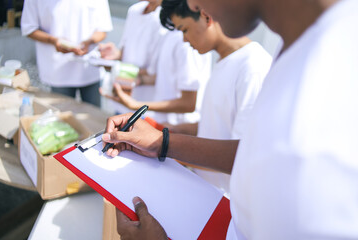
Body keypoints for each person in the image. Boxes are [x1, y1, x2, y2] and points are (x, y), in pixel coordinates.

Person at [102, 0, 358, 239]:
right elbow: (251, 150)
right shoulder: (300, 47)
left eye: (185, 28)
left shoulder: (331, 68)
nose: (193, 4)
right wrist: (161, 140)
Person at [159, 0, 272, 193]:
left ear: (206, 16)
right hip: (208, 193)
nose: (185, 40)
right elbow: (223, 124)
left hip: (228, 204)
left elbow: (242, 154)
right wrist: (182, 130)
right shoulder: (225, 61)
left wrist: (164, 147)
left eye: (184, 29)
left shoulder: (252, 68)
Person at [21, 0, 112, 107]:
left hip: (90, 69)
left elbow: (103, 29)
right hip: (58, 72)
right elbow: (29, 28)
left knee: (93, 117)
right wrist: (53, 40)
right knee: (61, 118)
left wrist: (89, 41)